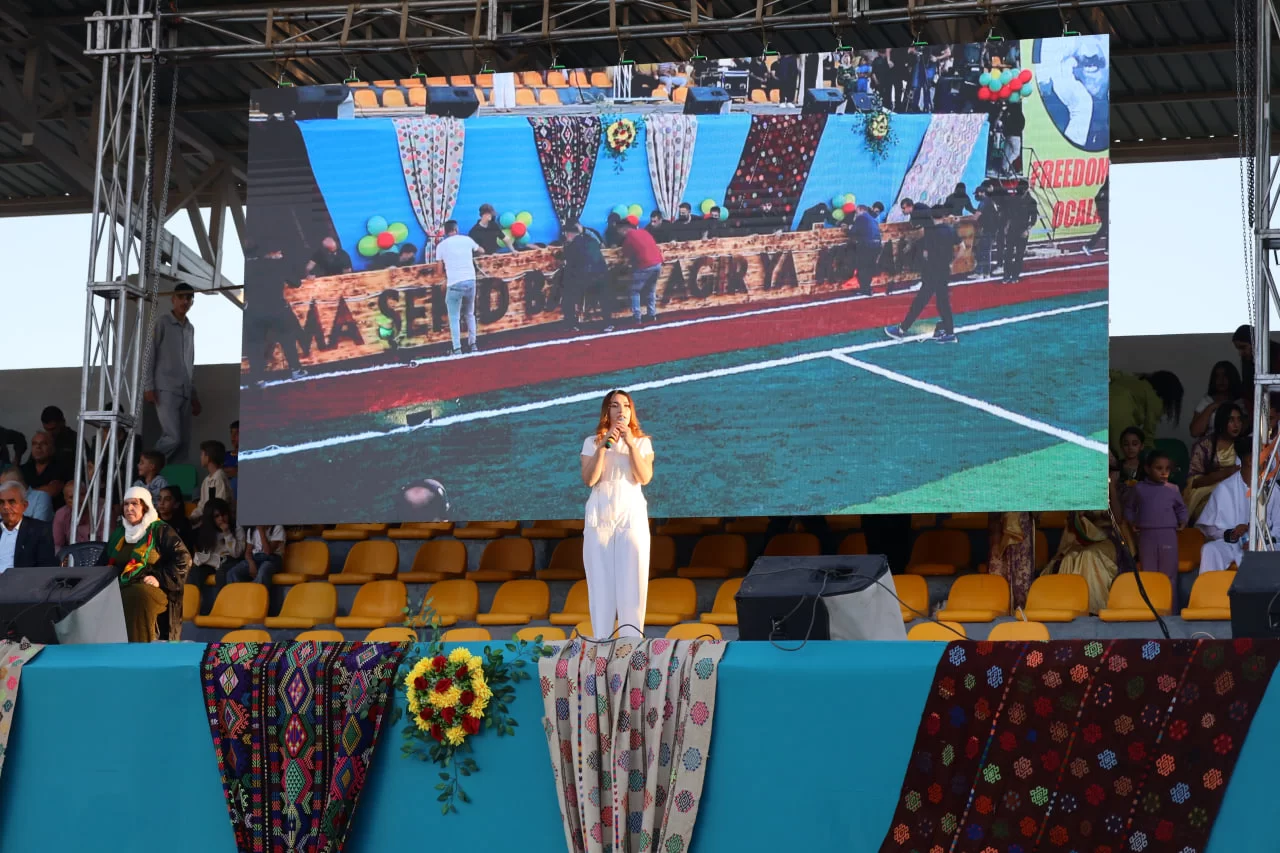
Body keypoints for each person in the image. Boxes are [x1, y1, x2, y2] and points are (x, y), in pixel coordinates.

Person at [580, 390, 655, 638]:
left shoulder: (642, 443)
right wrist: (604, 446)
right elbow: (590, 479)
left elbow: (644, 477)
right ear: (607, 411)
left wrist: (630, 443)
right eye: (614, 405)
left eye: (625, 405)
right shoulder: (592, 442)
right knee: (600, 586)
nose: (621, 410)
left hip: (631, 515)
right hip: (600, 515)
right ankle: (601, 644)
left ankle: (631, 646)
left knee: (633, 585)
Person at [100, 486, 190, 642]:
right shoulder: (119, 534)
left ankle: (139, 649)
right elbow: (103, 563)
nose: (129, 508)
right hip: (121, 584)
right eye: (126, 504)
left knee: (137, 595)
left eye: (134, 504)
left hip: (154, 588)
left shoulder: (160, 530)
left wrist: (159, 578)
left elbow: (184, 559)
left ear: (145, 507)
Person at [1198, 443, 1280, 573]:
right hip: (1233, 544)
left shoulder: (1273, 490)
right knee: (1210, 550)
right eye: (1266, 456)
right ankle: (1211, 586)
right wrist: (1233, 533)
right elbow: (1210, 529)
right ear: (1250, 460)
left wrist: (1259, 541)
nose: (1269, 459)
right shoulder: (1224, 488)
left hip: (1265, 545)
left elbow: (1278, 529)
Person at [885, 204, 961, 343]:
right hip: (944, 270)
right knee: (942, 302)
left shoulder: (931, 232)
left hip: (931, 271)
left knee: (920, 302)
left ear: (932, 216)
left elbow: (925, 253)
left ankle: (902, 329)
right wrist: (952, 262)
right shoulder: (950, 230)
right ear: (943, 216)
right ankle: (949, 331)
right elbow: (962, 246)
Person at [144, 283, 201, 463]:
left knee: (183, 443)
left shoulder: (190, 328)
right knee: (173, 437)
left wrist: (193, 395)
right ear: (173, 299)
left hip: (184, 391)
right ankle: (147, 466)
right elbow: (150, 354)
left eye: (189, 298)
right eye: (181, 297)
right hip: (165, 388)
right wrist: (148, 386)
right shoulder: (162, 322)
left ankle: (169, 477)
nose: (185, 301)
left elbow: (189, 363)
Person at [1042, 511, 1129, 615]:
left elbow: (1119, 517)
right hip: (1081, 536)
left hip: (1111, 536)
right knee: (1068, 559)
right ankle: (1069, 610)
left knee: (1089, 555)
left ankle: (1095, 612)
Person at [1124, 450, 1188, 585]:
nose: (1164, 472)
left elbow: (1181, 508)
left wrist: (1183, 520)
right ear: (1147, 469)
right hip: (1146, 535)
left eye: (1167, 469)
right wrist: (1131, 521)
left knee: (1169, 572)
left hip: (1168, 534)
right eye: (1159, 468)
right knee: (1148, 571)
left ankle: (1170, 599)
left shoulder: (1173, 489)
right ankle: (1152, 598)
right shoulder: (1139, 488)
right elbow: (1129, 507)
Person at [1183, 403, 1244, 522]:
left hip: (1237, 491)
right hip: (1207, 493)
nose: (1236, 425)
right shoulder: (1205, 445)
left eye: (1239, 420)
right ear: (1221, 421)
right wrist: (1223, 474)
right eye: (1231, 420)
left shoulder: (1245, 444)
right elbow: (1193, 482)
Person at [436, 220, 484, 356]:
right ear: (456, 229)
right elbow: (481, 250)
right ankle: (473, 344)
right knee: (470, 313)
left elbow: (439, 271)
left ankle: (457, 348)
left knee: (454, 317)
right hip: (470, 280)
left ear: (445, 232)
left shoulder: (441, 246)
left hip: (454, 283)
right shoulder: (467, 240)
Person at [1108, 369, 1184, 455]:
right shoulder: (1156, 400)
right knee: (1124, 452)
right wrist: (1149, 452)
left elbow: (1114, 374)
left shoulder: (1134, 380)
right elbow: (1149, 430)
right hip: (1119, 413)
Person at [560, 222, 609, 330]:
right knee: (603, 297)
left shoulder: (572, 246)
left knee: (568, 295)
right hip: (601, 275)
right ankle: (608, 322)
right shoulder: (592, 240)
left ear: (568, 234)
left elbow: (570, 265)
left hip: (585, 277)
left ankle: (571, 324)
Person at [0, 480, 56, 570]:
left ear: (24, 506)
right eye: (1, 502)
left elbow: (45, 569)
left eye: (12, 502)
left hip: (20, 578)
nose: (6, 507)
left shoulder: (39, 530)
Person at [617, 219, 664, 326]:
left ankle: (637, 317)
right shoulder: (644, 232)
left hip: (645, 265)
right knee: (651, 289)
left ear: (623, 229)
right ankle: (652, 314)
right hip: (657, 263)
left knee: (634, 291)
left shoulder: (629, 238)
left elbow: (626, 256)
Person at [192, 498, 244, 588]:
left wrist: (227, 533)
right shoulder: (207, 530)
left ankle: (220, 597)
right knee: (195, 572)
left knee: (221, 574)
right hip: (214, 561)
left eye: (224, 514)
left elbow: (236, 554)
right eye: (217, 516)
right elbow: (206, 552)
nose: (221, 519)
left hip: (231, 560)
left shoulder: (237, 528)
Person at [987, 512, 1034, 610]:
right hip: (1000, 528)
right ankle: (1000, 610)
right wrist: (996, 541)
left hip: (1022, 528)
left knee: (1021, 577)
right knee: (998, 574)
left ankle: (1021, 611)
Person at [1188, 361, 1245, 439]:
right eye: (1217, 376)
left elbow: (1244, 429)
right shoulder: (1207, 401)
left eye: (1225, 376)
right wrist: (1212, 406)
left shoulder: (1240, 402)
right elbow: (1194, 432)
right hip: (1210, 444)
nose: (1221, 380)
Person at [20, 430, 70, 511]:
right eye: (34, 444)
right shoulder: (23, 469)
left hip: (52, 514)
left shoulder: (61, 467)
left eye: (43, 444)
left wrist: (24, 494)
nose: (38, 447)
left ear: (52, 448)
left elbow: (51, 491)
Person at [188, 440, 234, 525]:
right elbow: (202, 505)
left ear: (208, 457)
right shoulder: (206, 480)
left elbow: (221, 503)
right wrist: (193, 516)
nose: (200, 457)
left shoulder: (220, 476)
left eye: (202, 454)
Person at [1000, 179, 1037, 283]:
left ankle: (1015, 275)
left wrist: (1027, 230)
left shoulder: (1031, 201)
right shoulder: (1013, 199)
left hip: (1023, 229)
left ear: (1025, 190)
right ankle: (1006, 275)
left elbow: (1033, 218)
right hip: (1012, 228)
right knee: (1008, 253)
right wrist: (1006, 226)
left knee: (1019, 254)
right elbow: (1009, 214)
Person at [847, 205, 882, 296]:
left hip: (867, 245)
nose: (856, 214)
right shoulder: (873, 220)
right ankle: (867, 288)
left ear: (860, 210)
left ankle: (864, 289)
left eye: (856, 212)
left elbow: (852, 232)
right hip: (877, 245)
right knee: (869, 268)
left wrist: (849, 228)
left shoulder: (861, 218)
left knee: (862, 267)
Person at [156, 485, 196, 555]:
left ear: (176, 504)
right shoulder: (152, 521)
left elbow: (187, 551)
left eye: (167, 499)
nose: (161, 503)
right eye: (159, 499)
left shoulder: (184, 524)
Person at [40, 406, 83, 471]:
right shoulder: (41, 440)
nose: (49, 433)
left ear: (63, 422)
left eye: (53, 429)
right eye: (46, 429)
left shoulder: (77, 440)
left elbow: (86, 468)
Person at [1114, 426, 1145, 502]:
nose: (1130, 447)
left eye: (1134, 444)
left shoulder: (1146, 468)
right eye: (1126, 444)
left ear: (1141, 446)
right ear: (1121, 446)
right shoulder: (1115, 467)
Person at [1083, 176, 1108, 254]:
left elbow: (1096, 198)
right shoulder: (1106, 190)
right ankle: (1088, 245)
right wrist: (1102, 209)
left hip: (1103, 210)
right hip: (1105, 211)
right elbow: (1097, 199)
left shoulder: (1104, 189)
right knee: (1105, 228)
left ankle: (1107, 249)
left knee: (1108, 229)